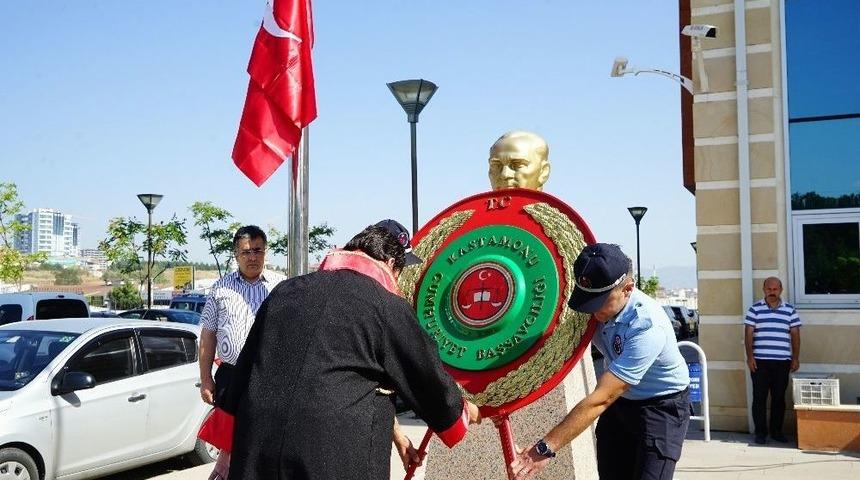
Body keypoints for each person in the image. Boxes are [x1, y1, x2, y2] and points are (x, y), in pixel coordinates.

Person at [223, 219, 481, 480]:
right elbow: (423, 375)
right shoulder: (385, 304)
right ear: (391, 263)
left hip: (258, 448)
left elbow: (247, 368)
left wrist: (397, 435)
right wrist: (459, 410)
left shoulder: (285, 290)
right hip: (330, 453)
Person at [511, 243, 691, 480]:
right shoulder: (596, 306)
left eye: (600, 301)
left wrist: (543, 449)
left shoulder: (647, 326)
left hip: (661, 407)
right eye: (588, 299)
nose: (593, 311)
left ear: (627, 289)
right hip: (621, 404)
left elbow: (602, 397)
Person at [198, 225, 286, 480]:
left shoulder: (280, 286)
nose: (252, 257)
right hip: (231, 378)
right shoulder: (220, 288)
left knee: (264, 441)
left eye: (258, 250)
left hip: (268, 377)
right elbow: (208, 336)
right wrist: (206, 378)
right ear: (236, 254)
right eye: (246, 252)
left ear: (265, 252)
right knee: (230, 442)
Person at [744, 276, 801, 444]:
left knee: (779, 398)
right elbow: (748, 334)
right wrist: (750, 357)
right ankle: (760, 433)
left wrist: (795, 358)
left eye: (775, 289)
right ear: (764, 290)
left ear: (781, 290)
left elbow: (796, 335)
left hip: (782, 362)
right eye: (769, 289)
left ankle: (776, 432)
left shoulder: (790, 310)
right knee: (759, 398)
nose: (772, 292)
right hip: (759, 362)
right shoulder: (754, 309)